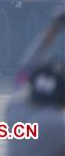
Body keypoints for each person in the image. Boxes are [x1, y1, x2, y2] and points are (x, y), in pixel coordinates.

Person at [5, 9, 65, 155]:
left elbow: (24, 72)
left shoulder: (14, 111)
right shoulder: (56, 125)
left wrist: (51, 31)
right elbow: (24, 72)